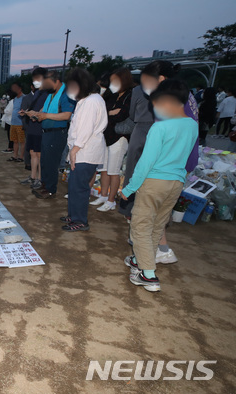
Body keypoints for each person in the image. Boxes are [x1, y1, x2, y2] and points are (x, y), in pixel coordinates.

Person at [121, 79, 198, 292]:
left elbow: (146, 162)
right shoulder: (192, 125)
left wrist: (129, 189)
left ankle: (148, 275)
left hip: (154, 182)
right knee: (157, 225)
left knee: (141, 226)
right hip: (176, 183)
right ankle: (139, 260)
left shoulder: (160, 127)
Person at [61, 68, 107, 232]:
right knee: (74, 185)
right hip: (81, 150)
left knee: (80, 187)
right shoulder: (88, 100)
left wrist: (74, 150)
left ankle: (80, 220)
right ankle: (73, 215)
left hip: (85, 151)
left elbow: (86, 128)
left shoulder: (91, 101)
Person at [27, 70, 76, 199]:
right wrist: (35, 115)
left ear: (57, 81)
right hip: (47, 133)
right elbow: (44, 110)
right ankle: (45, 186)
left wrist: (45, 116)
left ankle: (50, 190)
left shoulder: (66, 94)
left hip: (57, 133)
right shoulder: (51, 94)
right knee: (44, 162)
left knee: (51, 163)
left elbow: (66, 115)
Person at [90, 68, 133, 212]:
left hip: (119, 138)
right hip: (106, 136)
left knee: (114, 171)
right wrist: (110, 113)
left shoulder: (130, 95)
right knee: (103, 169)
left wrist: (110, 114)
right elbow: (102, 112)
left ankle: (111, 200)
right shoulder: (111, 95)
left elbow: (122, 115)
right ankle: (103, 195)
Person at [19, 67, 49, 188]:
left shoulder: (48, 93)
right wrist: (26, 112)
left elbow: (45, 111)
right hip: (32, 127)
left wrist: (35, 115)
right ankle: (33, 177)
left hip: (40, 127)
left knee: (39, 154)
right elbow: (33, 109)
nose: (35, 81)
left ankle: (40, 179)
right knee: (32, 153)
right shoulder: (37, 93)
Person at [7, 83, 26, 162]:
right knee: (14, 140)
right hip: (13, 122)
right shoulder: (15, 99)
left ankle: (21, 157)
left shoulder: (24, 98)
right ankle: (15, 155)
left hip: (20, 123)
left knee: (22, 141)